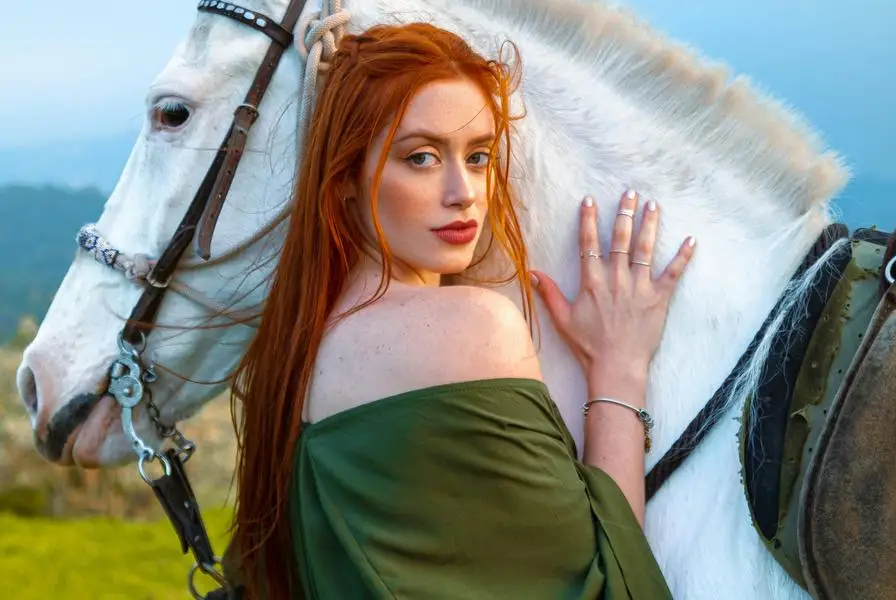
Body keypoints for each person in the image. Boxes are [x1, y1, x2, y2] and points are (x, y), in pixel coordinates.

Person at [222, 21, 696, 600]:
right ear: (345, 178)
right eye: (420, 157)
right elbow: (604, 586)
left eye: (478, 156)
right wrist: (620, 371)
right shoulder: (472, 327)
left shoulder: (294, 349)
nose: (463, 191)